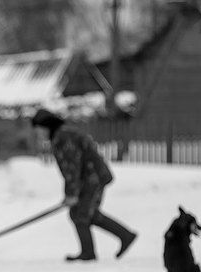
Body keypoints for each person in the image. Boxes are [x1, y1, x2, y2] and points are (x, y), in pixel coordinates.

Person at [31, 108, 137, 261]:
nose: (38, 134)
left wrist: (71, 194)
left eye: (39, 130)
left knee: (80, 214)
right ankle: (125, 235)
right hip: (90, 177)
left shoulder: (63, 137)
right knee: (87, 213)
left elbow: (72, 168)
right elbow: (72, 170)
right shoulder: (61, 135)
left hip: (93, 177)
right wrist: (71, 194)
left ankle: (89, 253)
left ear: (47, 126)